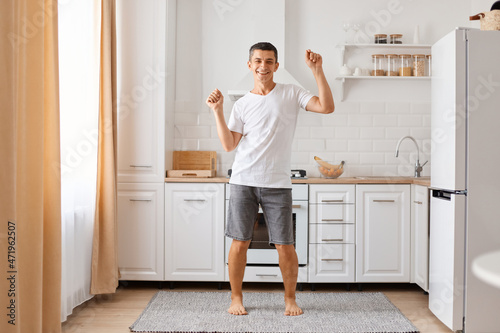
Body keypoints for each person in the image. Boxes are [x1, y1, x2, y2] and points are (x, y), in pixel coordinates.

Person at [206, 42, 334, 316]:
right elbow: (229, 145)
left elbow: (326, 107)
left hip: (278, 184)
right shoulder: (241, 105)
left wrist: (317, 70)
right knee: (240, 242)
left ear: (276, 66)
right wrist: (217, 111)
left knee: (284, 245)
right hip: (243, 181)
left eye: (268, 61)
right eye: (258, 61)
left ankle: (290, 299)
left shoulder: (291, 93)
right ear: (250, 65)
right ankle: (236, 298)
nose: (263, 66)